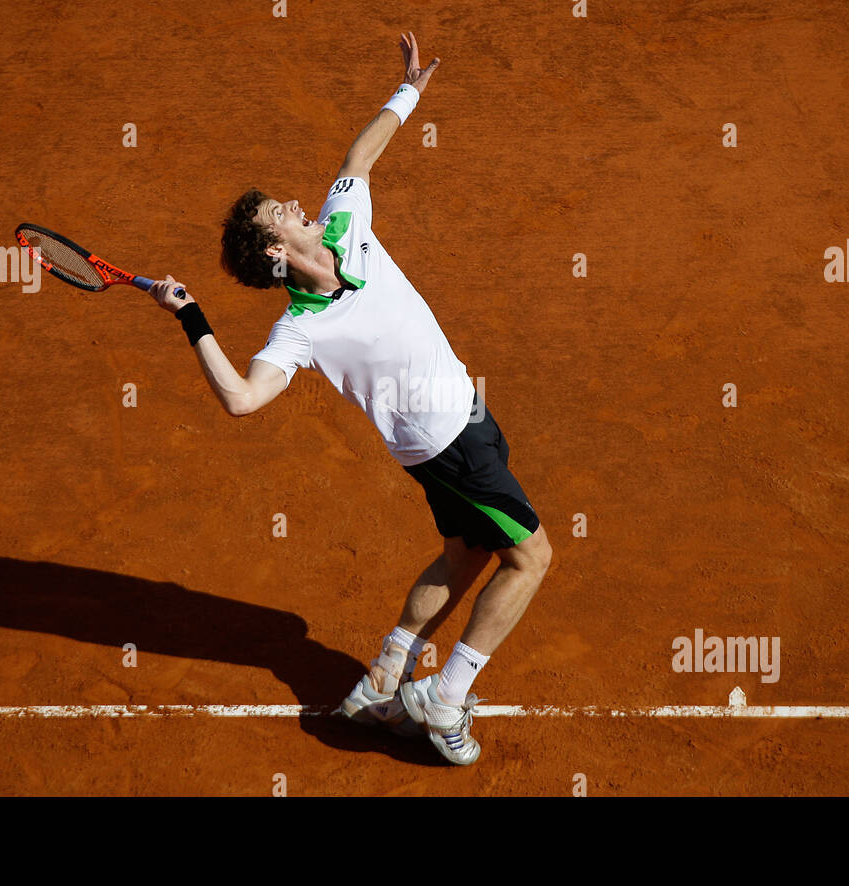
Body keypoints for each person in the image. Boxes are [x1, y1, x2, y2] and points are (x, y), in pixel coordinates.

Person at [148, 32, 551, 766]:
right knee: (531, 558)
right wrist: (191, 316)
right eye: (279, 211)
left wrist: (410, 91)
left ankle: (386, 675)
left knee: (466, 551)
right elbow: (241, 398)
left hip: (463, 416)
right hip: (447, 444)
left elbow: (358, 157)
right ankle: (447, 696)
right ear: (276, 253)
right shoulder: (298, 329)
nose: (296, 203)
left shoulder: (343, 220)